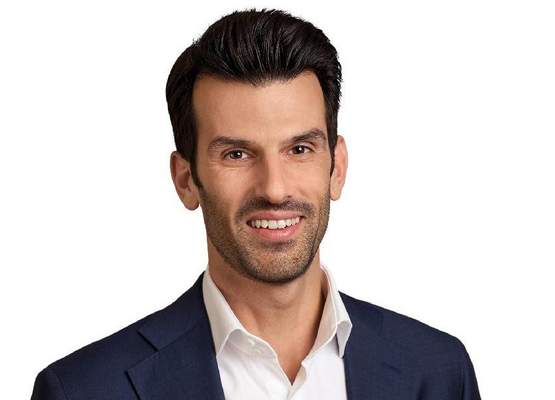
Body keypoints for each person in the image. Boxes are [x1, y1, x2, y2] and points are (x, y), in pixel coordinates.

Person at [31, 8, 481, 400]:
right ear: (186, 180)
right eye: (236, 154)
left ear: (337, 167)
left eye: (299, 149)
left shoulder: (439, 372)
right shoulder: (83, 390)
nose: (275, 188)